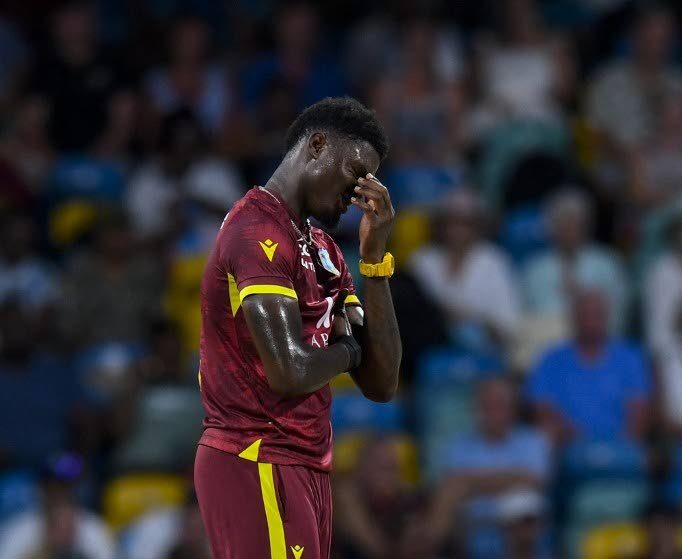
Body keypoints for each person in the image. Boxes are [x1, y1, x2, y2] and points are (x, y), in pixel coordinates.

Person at [193, 97, 401, 559]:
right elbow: (288, 370)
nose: (359, 192)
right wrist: (349, 351)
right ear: (318, 145)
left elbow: (383, 383)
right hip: (255, 454)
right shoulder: (255, 231)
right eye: (356, 171)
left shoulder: (324, 249)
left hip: (307, 462)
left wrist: (373, 262)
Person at [419, 378, 551, 557]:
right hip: (469, 523)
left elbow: (534, 479)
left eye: (500, 405)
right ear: (476, 409)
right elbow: (449, 489)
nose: (493, 412)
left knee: (525, 517)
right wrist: (507, 479)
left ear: (513, 409)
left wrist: (469, 484)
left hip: (518, 521)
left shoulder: (533, 441)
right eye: (487, 406)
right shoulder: (458, 446)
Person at [526, 288, 651, 445]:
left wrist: (617, 448)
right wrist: (577, 440)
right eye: (584, 315)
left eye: (596, 315)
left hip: (621, 448)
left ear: (607, 318)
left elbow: (639, 412)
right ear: (573, 319)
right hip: (567, 446)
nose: (590, 321)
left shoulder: (630, 358)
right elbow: (542, 410)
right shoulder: (550, 360)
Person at [409, 188, 521, 353]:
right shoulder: (423, 260)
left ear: (478, 226)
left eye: (465, 223)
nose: (458, 230)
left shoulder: (494, 260)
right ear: (441, 225)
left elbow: (508, 325)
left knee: (470, 334)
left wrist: (464, 318)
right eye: (452, 222)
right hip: (431, 346)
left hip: (484, 349)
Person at [522, 188, 628, 334]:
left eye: (576, 222)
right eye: (564, 222)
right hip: (545, 345)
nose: (571, 229)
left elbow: (618, 317)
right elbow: (527, 318)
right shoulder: (534, 270)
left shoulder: (607, 264)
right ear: (552, 228)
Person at [0, 453, 115, 559]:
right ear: (42, 488)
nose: (59, 492)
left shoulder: (95, 529)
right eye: (53, 485)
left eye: (65, 486)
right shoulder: (17, 529)